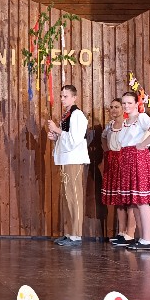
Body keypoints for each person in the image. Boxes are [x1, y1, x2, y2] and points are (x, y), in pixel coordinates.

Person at [105, 91, 150, 252]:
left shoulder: (141, 117)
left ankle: (147, 239)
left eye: (129, 103)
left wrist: (142, 144)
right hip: (127, 158)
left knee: (142, 200)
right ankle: (141, 237)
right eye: (124, 103)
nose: (126, 106)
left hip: (138, 158)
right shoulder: (126, 121)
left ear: (137, 104)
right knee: (135, 201)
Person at [47, 85, 89, 246]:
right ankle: (69, 232)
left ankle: (76, 235)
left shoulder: (77, 115)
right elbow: (65, 137)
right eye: (61, 96)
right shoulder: (67, 115)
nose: (62, 99)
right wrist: (56, 137)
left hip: (73, 159)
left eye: (66, 96)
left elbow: (75, 139)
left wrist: (57, 130)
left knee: (75, 196)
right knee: (67, 196)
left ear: (74, 97)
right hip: (66, 159)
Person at [102, 98, 136, 243]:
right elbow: (103, 138)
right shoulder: (110, 125)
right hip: (113, 160)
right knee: (118, 198)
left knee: (129, 198)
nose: (113, 110)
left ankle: (130, 233)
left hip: (125, 160)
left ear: (123, 109)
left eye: (117, 107)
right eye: (111, 107)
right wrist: (107, 151)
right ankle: (121, 232)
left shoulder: (128, 124)